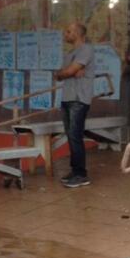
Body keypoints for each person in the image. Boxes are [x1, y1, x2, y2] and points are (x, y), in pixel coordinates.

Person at [54, 22, 95, 188]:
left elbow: (68, 72)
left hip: (79, 99)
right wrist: (66, 73)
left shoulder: (86, 49)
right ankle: (74, 169)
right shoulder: (70, 52)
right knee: (70, 135)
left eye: (69, 31)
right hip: (68, 97)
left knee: (75, 135)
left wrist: (68, 72)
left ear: (78, 34)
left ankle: (81, 174)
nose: (65, 34)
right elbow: (64, 73)